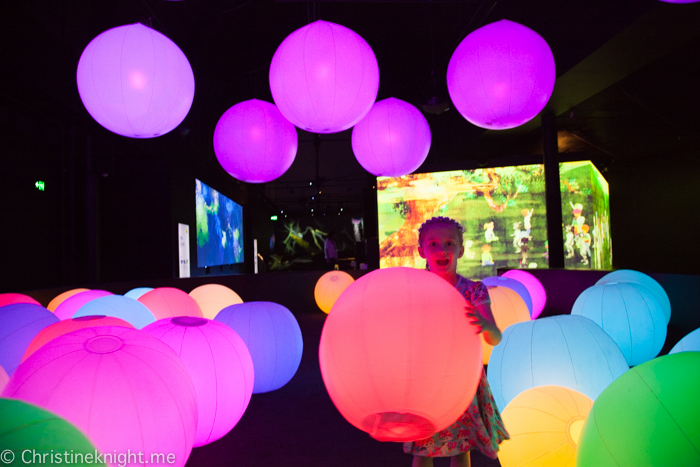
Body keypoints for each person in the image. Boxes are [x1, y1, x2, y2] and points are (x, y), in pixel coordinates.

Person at [404, 216, 509, 467]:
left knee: (461, 449)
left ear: (461, 250)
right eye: (433, 244)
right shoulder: (414, 290)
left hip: (462, 381)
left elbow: (495, 337)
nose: (442, 250)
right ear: (421, 251)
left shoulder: (474, 291)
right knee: (424, 448)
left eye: (450, 243)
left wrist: (484, 325)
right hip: (425, 381)